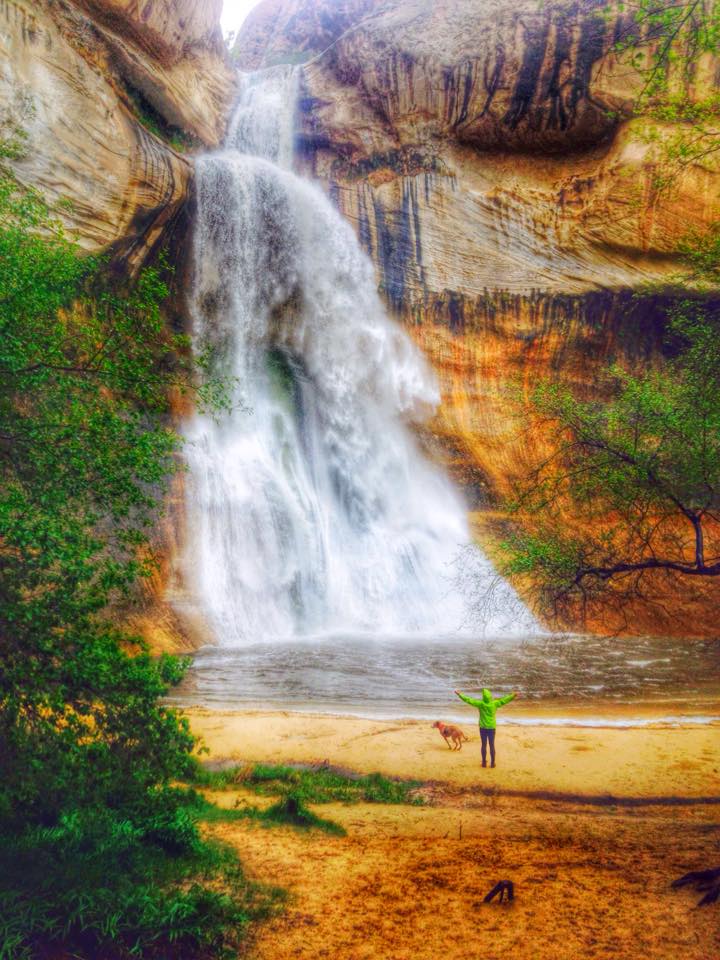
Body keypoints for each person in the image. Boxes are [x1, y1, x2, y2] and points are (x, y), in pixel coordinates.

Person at [454, 688, 518, 768]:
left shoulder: (480, 704)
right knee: (492, 745)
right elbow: (504, 700)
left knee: (483, 745)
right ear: (490, 696)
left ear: (483, 697)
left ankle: (484, 763)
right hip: (491, 727)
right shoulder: (495, 703)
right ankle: (492, 763)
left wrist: (459, 694)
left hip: (483, 727)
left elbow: (469, 700)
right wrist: (513, 695)